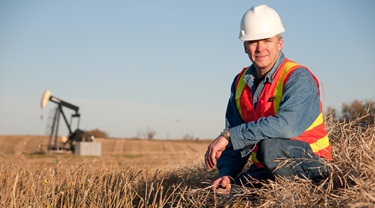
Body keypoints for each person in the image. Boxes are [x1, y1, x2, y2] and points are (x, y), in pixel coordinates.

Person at [204, 4, 332, 193]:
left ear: (279, 44)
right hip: (265, 167)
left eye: (267, 40)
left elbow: (286, 126)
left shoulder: (298, 77)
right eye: (253, 41)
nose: (260, 48)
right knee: (230, 194)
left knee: (270, 147)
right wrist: (228, 173)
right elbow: (238, 135)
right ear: (245, 47)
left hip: (311, 164)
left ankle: (310, 190)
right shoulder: (240, 83)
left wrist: (229, 135)